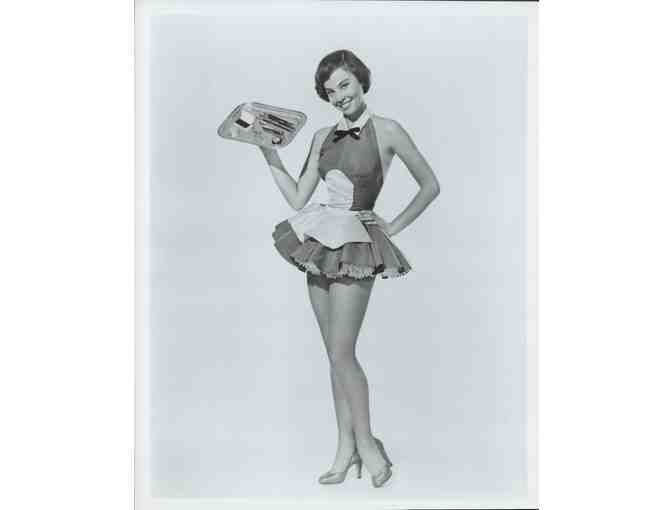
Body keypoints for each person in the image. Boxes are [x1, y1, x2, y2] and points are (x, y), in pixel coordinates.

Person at [259, 49, 440, 488]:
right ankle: (346, 447)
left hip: (356, 242)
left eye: (344, 85)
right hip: (319, 237)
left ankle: (369, 445)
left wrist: (392, 226)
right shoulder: (322, 136)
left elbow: (430, 185)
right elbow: (298, 197)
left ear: (361, 81)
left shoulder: (388, 130)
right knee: (333, 356)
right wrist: (269, 154)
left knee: (343, 353)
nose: (339, 96)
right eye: (330, 91)